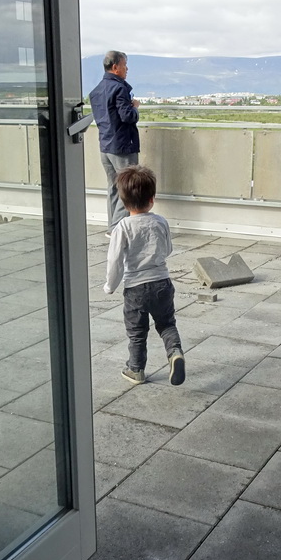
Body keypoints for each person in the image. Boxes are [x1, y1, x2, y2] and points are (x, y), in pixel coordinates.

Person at [103, 166, 185, 386]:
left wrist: (110, 286)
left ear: (122, 201)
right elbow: (167, 249)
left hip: (136, 289)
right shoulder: (160, 222)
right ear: (152, 199)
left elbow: (115, 261)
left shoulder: (122, 227)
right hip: (162, 283)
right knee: (166, 324)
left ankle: (136, 370)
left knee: (137, 332)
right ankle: (175, 352)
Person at [89, 50, 140, 236]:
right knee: (127, 187)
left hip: (105, 145)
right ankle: (118, 229)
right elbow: (127, 117)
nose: (127, 69)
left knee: (113, 187)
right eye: (125, 65)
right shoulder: (120, 89)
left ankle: (112, 227)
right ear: (115, 67)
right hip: (122, 146)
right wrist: (135, 108)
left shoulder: (96, 91)